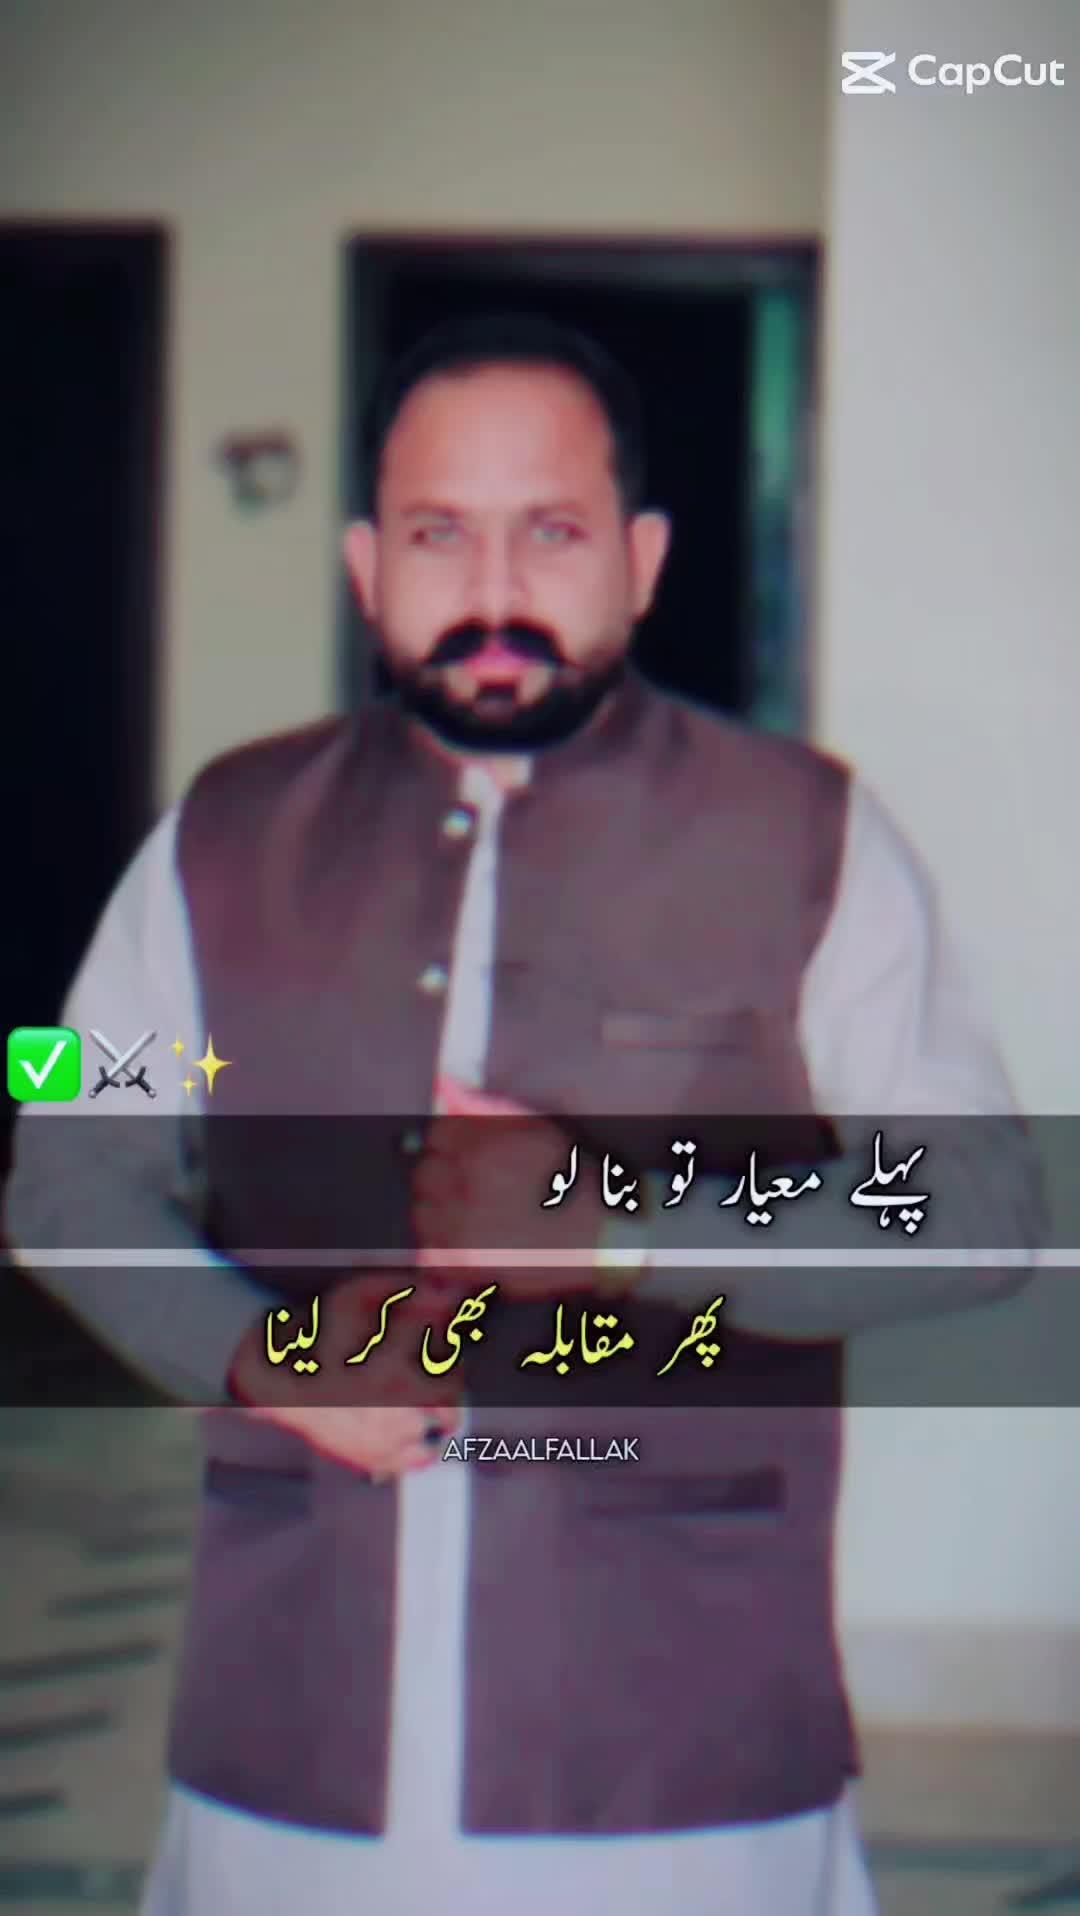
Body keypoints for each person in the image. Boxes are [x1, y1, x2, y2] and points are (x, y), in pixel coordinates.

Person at [4, 312, 1041, 1916]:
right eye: (440, 534)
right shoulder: (219, 837)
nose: (495, 590)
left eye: (550, 531)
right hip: (291, 1738)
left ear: (641, 559)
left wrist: (633, 1232)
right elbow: (66, 1162)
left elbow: (978, 1199)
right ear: (366, 566)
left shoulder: (809, 837)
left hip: (679, 1757)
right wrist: (260, 1355)